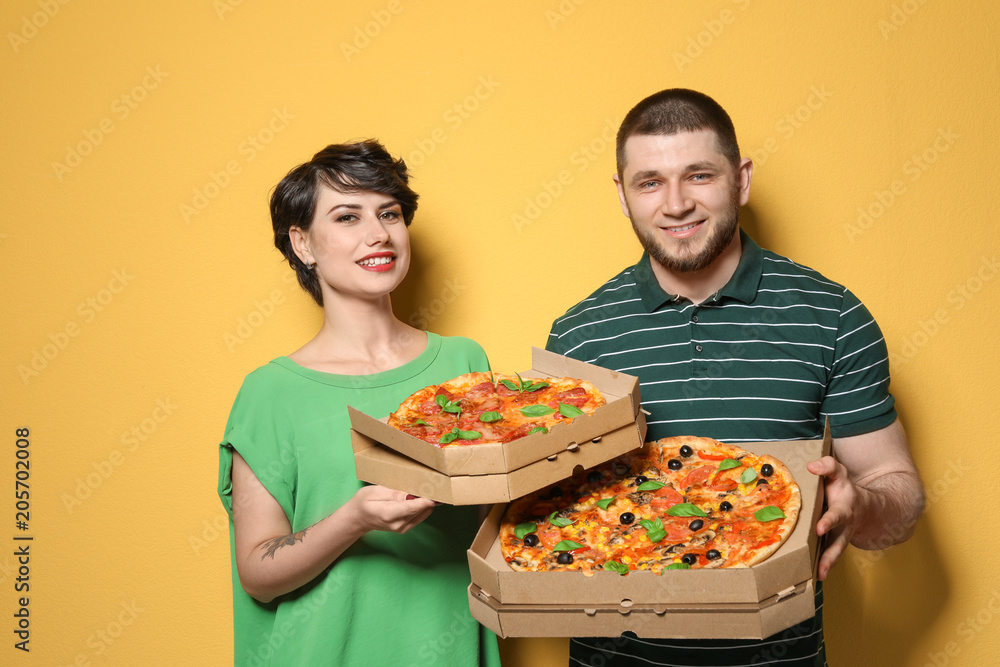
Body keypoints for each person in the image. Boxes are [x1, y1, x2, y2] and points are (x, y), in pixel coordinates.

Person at [546, 89, 925, 666]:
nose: (675, 204)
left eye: (698, 175)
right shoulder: (580, 335)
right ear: (622, 195)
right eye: (649, 182)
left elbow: (897, 494)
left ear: (741, 179)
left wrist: (860, 506)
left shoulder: (833, 316)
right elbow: (554, 517)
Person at [217, 141, 501, 666]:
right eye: (348, 216)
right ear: (302, 244)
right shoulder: (270, 393)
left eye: (388, 213)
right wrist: (354, 519)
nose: (379, 234)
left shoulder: (462, 364)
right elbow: (257, 573)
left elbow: (500, 525)